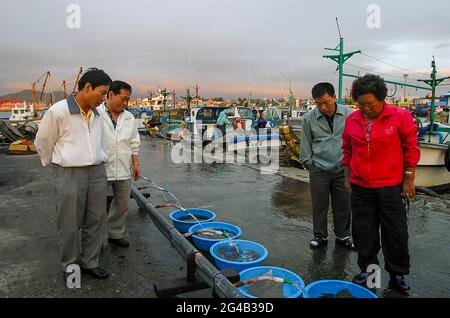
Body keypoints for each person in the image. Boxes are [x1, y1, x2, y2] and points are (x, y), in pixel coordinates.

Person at [342, 74, 420, 292]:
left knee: (394, 231)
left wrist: (409, 178)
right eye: (361, 104)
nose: (365, 108)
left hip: (390, 186)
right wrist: (348, 176)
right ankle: (370, 273)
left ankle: (397, 274)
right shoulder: (352, 120)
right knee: (363, 231)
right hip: (361, 187)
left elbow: (411, 148)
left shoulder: (399, 117)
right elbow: (347, 150)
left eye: (370, 103)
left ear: (382, 99)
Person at [34, 68, 112, 279]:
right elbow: (43, 142)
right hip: (69, 172)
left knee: (97, 219)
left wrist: (97, 156)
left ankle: (90, 261)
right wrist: (60, 163)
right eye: (102, 92)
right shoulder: (58, 111)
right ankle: (70, 265)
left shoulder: (99, 113)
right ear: (87, 87)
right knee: (69, 222)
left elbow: (100, 141)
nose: (104, 98)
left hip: (96, 171)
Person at [300, 82, 355, 250]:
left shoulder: (349, 115)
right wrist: (309, 163)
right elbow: (306, 142)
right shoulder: (309, 118)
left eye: (326, 102)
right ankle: (320, 236)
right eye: (318, 103)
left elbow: (356, 140)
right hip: (319, 168)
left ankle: (343, 235)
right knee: (319, 204)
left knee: (343, 204)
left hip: (342, 168)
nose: (323, 107)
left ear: (334, 97)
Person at [98, 81, 140, 248]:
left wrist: (135, 163)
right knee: (96, 207)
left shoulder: (129, 117)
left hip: (123, 166)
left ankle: (116, 233)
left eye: (128, 100)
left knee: (122, 204)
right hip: (101, 167)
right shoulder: (97, 114)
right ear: (110, 95)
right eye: (122, 98)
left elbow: (134, 141)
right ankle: (97, 240)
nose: (125, 103)